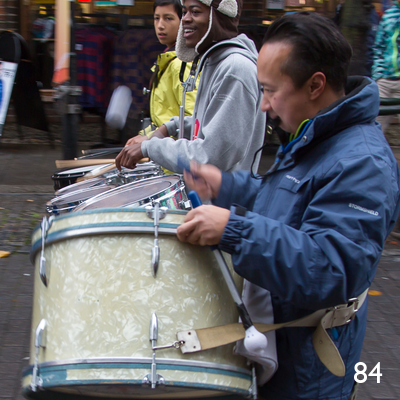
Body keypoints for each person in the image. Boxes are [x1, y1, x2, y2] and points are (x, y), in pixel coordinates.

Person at [177, 12, 400, 400]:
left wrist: (232, 228)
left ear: (315, 85)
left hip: (309, 369)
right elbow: (285, 197)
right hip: (282, 344)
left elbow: (330, 269)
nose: (263, 105)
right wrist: (226, 185)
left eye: (270, 90)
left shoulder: (363, 163)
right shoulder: (316, 131)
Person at [115, 0, 265, 174]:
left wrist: (150, 147)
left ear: (219, 16)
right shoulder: (215, 62)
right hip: (206, 198)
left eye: (195, 12)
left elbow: (210, 157)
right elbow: (206, 121)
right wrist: (168, 128)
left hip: (224, 201)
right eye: (184, 11)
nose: (185, 19)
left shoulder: (235, 69)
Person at [137, 0, 198, 138]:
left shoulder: (181, 65)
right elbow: (161, 118)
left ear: (184, 20)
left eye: (168, 18)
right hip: (161, 147)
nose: (160, 25)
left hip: (173, 152)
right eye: (156, 18)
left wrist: (149, 139)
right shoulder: (167, 60)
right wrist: (145, 136)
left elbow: (192, 122)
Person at [372, 0, 400, 133]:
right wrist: (378, 76)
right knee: (376, 129)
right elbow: (379, 47)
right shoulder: (388, 16)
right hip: (385, 80)